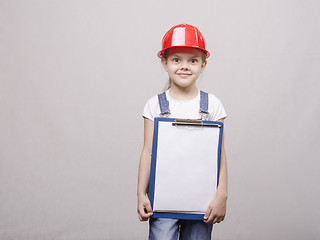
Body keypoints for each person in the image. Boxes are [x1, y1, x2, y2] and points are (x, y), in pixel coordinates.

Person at [137, 24, 228, 240]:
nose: (184, 66)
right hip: (163, 198)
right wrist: (141, 193)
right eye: (176, 59)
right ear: (164, 63)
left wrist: (222, 194)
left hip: (202, 201)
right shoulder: (155, 106)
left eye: (193, 60)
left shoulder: (213, 105)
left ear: (203, 64)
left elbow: (220, 154)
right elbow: (148, 151)